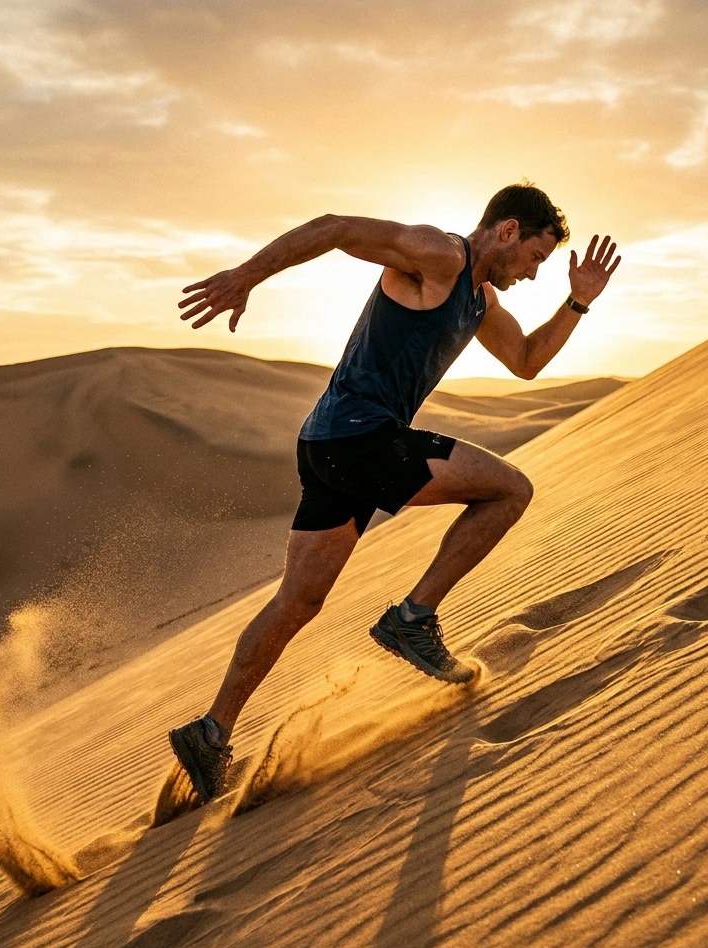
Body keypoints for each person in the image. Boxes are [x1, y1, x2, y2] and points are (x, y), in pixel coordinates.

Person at [170, 183, 621, 802]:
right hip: (359, 438)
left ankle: (211, 732)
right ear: (509, 231)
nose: (535, 274)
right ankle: (413, 618)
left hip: (330, 446)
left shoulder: (479, 300)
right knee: (511, 490)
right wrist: (248, 275)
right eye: (537, 260)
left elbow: (524, 360)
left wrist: (577, 302)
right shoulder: (440, 256)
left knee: (297, 603)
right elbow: (333, 226)